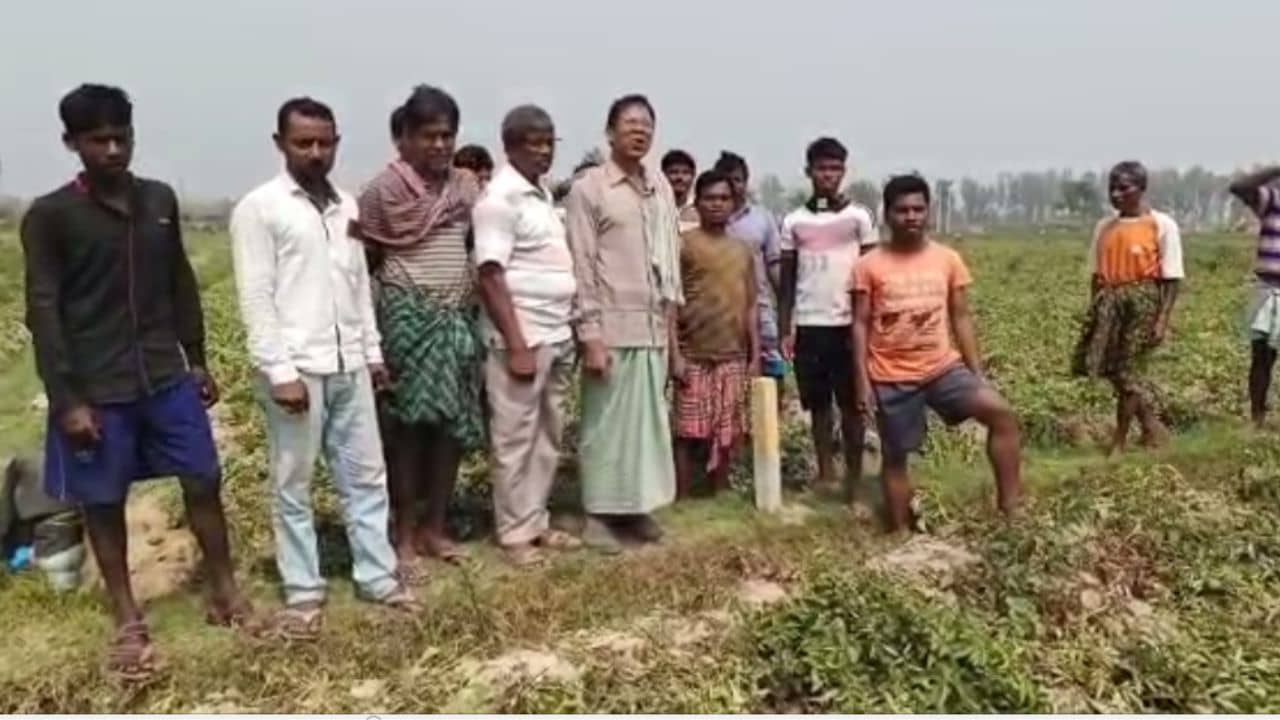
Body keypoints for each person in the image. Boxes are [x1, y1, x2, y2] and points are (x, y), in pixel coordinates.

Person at [21, 84, 248, 680]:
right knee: (102, 500)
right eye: (99, 140)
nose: (113, 150)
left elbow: (179, 283)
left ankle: (225, 591)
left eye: (122, 138)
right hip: (97, 384)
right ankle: (126, 614)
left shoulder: (158, 200)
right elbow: (43, 311)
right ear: (72, 143)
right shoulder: (51, 216)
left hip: (164, 374)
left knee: (203, 477)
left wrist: (197, 358)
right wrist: (67, 399)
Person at [230, 97, 417, 640]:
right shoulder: (260, 209)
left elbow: (357, 287)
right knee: (294, 482)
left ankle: (378, 577)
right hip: (298, 367)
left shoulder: (347, 207)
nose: (315, 152)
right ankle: (303, 589)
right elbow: (256, 296)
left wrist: (372, 354)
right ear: (280, 144)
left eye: (325, 142)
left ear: (337, 143)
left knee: (366, 476)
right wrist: (279, 370)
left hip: (348, 362)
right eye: (303, 142)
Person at [356, 86, 483, 570]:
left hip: (456, 320)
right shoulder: (381, 192)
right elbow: (365, 263)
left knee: (451, 429)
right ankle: (404, 534)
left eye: (447, 135)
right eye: (429, 135)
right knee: (407, 431)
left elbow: (472, 246)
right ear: (404, 138)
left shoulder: (465, 186)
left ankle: (435, 528)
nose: (439, 144)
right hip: (407, 321)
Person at [853, 174, 1023, 532]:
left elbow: (961, 317)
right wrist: (862, 383)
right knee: (895, 455)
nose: (911, 217)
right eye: (902, 210)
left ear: (928, 212)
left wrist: (976, 373)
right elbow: (860, 325)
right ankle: (899, 532)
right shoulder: (868, 266)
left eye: (918, 209)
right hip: (891, 374)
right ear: (887, 214)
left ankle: (1011, 510)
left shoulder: (947, 259)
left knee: (1002, 416)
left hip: (942, 368)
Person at [564, 94, 681, 552]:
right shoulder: (589, 188)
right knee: (606, 427)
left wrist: (670, 331)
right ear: (610, 132)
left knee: (644, 429)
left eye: (646, 124)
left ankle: (635, 509)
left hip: (652, 326)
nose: (639, 131)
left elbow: (669, 264)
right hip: (610, 326)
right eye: (630, 123)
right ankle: (598, 514)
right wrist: (589, 333)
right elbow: (581, 263)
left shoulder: (659, 188)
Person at [473, 105, 582, 566]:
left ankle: (536, 520)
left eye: (548, 142)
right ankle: (513, 533)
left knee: (547, 436)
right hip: (522, 338)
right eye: (533, 143)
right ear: (510, 146)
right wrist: (516, 343)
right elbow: (490, 275)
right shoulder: (499, 200)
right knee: (514, 438)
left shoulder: (542, 196)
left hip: (556, 333)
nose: (543, 151)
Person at [778, 137, 878, 500]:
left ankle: (854, 478)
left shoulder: (859, 218)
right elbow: (787, 281)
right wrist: (785, 328)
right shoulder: (794, 221)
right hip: (810, 324)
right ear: (809, 172)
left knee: (851, 405)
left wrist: (873, 325)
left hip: (849, 326)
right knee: (818, 405)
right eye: (822, 168)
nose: (828, 175)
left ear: (843, 172)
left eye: (835, 169)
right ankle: (825, 473)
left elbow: (872, 273)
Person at [1071, 161, 1183, 453]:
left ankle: (1119, 441)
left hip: (1142, 300)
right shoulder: (1104, 227)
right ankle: (1151, 427)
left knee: (1129, 370)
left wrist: (1162, 320)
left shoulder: (1161, 225)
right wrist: (1094, 310)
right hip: (1109, 299)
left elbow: (1172, 278)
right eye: (1112, 188)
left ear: (1141, 189)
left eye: (1124, 188)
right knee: (1108, 367)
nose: (1116, 195)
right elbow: (1096, 273)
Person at [673, 171, 759, 497]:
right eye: (710, 198)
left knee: (727, 428)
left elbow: (751, 304)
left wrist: (755, 355)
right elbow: (670, 303)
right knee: (687, 430)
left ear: (734, 204)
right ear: (697, 203)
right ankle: (682, 493)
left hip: (732, 352)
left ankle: (719, 489)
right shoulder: (683, 245)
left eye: (724, 198)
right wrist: (674, 354)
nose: (717, 204)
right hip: (693, 352)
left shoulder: (742, 250)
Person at [714, 151, 786, 382]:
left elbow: (774, 264)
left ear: (746, 182)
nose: (733, 186)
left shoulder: (762, 218)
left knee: (770, 374)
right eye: (727, 180)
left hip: (761, 309)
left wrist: (786, 307)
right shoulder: (708, 219)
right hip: (717, 313)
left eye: (737, 180)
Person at [1228, 166, 1280, 427]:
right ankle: (1257, 419)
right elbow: (1239, 187)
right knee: (1262, 357)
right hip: (1269, 287)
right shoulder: (1274, 201)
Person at [661, 149, 700, 232]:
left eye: (686, 173)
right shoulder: (652, 206)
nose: (680, 178)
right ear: (663, 175)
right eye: (674, 172)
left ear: (693, 176)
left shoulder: (700, 209)